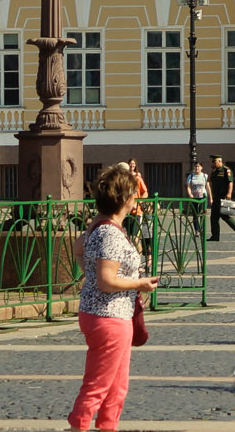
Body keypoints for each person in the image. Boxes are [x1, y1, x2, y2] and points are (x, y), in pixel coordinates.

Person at [70, 166, 158, 432]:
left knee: (117, 386)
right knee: (98, 385)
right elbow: (107, 280)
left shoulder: (98, 224)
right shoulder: (109, 232)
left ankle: (107, 427)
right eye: (133, 194)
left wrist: (90, 274)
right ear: (125, 199)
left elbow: (77, 249)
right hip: (108, 317)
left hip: (107, 314)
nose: (136, 199)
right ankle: (80, 426)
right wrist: (139, 284)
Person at [209, 158, 235, 241]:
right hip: (216, 197)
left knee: (224, 215)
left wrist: (229, 193)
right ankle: (215, 236)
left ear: (219, 161)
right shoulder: (214, 172)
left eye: (214, 162)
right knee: (213, 217)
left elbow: (230, 182)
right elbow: (209, 181)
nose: (213, 163)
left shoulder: (226, 170)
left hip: (222, 196)